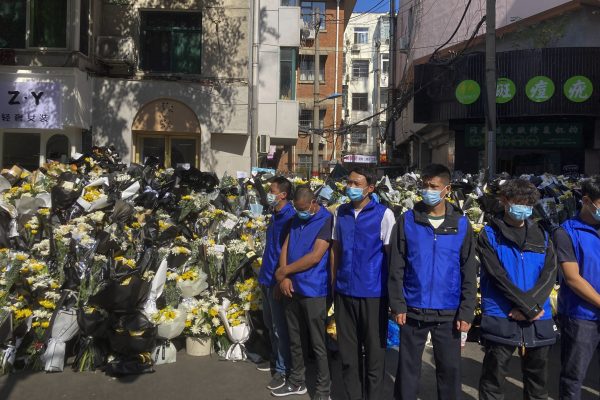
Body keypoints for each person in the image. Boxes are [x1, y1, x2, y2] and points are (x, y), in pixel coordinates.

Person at [388, 163, 477, 400]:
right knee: (407, 372)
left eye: (433, 186)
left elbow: (468, 270)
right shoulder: (408, 221)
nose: (428, 190)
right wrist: (398, 304)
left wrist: (467, 311)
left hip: (448, 312)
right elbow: (397, 265)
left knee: (449, 372)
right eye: (425, 185)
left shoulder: (460, 224)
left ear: (446, 189)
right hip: (413, 310)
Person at [478, 179, 557, 400]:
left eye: (528, 203)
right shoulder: (489, 234)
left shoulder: (542, 235)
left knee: (538, 385)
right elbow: (496, 275)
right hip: (502, 314)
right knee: (493, 382)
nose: (523, 207)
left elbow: (549, 274)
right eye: (518, 201)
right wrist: (527, 306)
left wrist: (530, 308)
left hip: (538, 318)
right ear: (504, 201)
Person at [332, 167, 396, 400]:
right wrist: (333, 285)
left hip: (373, 293)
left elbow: (391, 256)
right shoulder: (341, 213)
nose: (351, 187)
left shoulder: (383, 214)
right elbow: (336, 251)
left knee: (374, 355)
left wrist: (393, 296)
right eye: (349, 182)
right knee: (348, 356)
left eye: (356, 183)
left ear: (370, 188)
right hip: (344, 292)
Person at [271, 186, 333, 399]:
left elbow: (316, 256)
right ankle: (297, 380)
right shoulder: (296, 219)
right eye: (297, 209)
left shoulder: (326, 220)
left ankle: (323, 388)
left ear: (314, 202)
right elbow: (285, 248)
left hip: (314, 289)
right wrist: (285, 278)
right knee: (294, 338)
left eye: (304, 208)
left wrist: (284, 271)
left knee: (317, 342)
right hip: (292, 287)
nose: (301, 212)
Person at [555, 176, 600, 399]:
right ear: (586, 200)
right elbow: (572, 278)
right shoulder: (567, 232)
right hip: (582, 316)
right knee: (573, 377)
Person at [257, 176, 295, 391]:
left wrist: (283, 278)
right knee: (270, 324)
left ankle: (282, 370)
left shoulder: (290, 217)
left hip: (277, 278)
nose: (269, 194)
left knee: (281, 328)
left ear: (283, 194)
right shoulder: (275, 213)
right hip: (266, 276)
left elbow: (289, 252)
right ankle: (274, 359)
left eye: (271, 190)